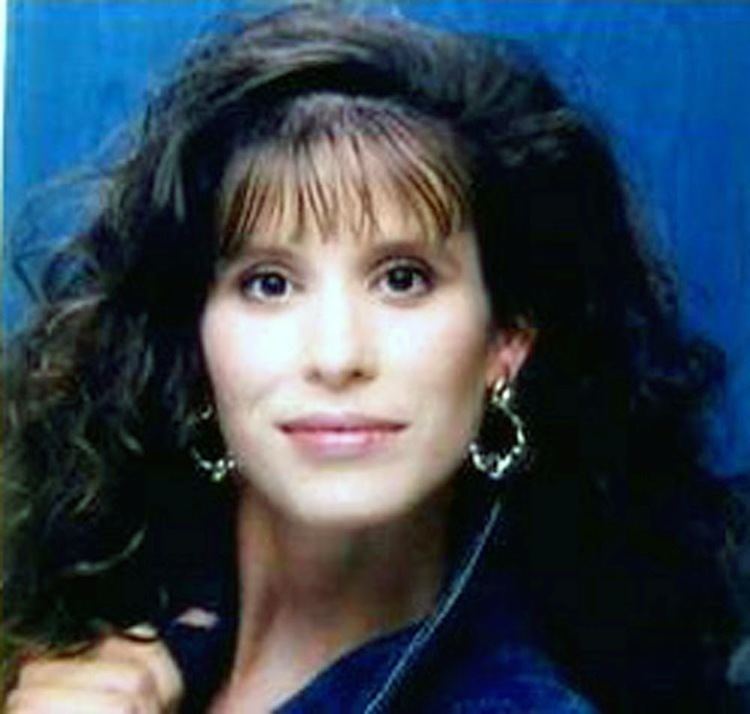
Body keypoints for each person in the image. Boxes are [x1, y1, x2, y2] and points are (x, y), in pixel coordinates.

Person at [3, 5, 748, 712]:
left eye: (403, 279)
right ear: (195, 342)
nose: (336, 356)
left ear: (505, 343)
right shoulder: (87, 632)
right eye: (269, 283)